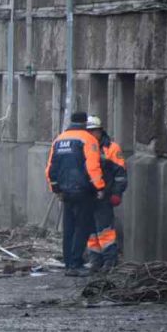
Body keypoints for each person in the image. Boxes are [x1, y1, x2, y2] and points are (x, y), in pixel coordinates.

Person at [45, 111, 105, 277]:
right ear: (85, 123)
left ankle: (68, 263)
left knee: (69, 227)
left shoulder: (59, 139)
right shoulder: (88, 139)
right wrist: (99, 187)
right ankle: (76, 263)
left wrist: (55, 188)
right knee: (82, 227)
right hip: (83, 190)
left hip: (65, 191)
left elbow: (50, 168)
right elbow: (92, 167)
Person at [85, 115, 127, 273]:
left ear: (100, 131)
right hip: (88, 195)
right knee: (90, 230)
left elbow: (121, 174)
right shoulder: (84, 146)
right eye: (88, 131)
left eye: (93, 131)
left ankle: (110, 261)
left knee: (105, 230)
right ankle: (95, 260)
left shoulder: (112, 148)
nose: (91, 134)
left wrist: (117, 193)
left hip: (105, 195)